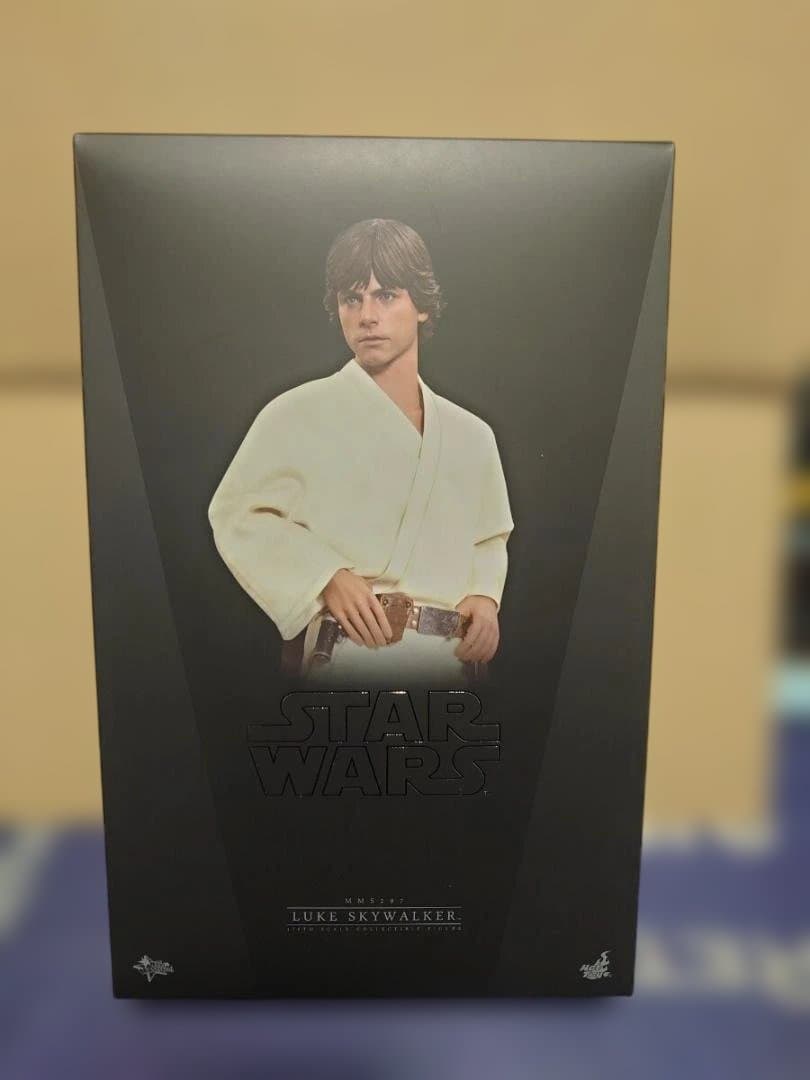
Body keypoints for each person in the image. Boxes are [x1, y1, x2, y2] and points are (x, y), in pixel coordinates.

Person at [208, 218, 513, 683]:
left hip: (451, 664)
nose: (367, 315)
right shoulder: (295, 413)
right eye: (352, 298)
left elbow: (489, 538)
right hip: (347, 657)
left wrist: (486, 598)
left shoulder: (472, 435)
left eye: (386, 295)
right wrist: (324, 576)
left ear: (422, 306)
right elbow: (235, 513)